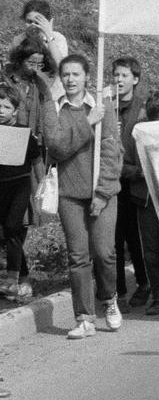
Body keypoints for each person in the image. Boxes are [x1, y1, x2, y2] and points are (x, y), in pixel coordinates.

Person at [35, 56, 122, 340]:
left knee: (104, 252)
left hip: (101, 193)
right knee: (78, 256)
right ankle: (83, 317)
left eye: (76, 74)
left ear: (86, 77)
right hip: (69, 194)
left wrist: (102, 192)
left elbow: (112, 153)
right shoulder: (54, 109)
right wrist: (87, 123)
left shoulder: (101, 106)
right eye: (66, 74)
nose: (71, 79)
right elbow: (58, 148)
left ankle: (109, 298)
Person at [111, 56, 159, 314]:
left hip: (136, 184)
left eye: (123, 75)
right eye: (115, 75)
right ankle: (118, 291)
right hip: (111, 183)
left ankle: (144, 284)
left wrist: (133, 170)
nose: (118, 80)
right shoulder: (106, 107)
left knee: (137, 239)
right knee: (115, 238)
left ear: (135, 79)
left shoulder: (143, 110)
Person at [0, 84, 40, 304]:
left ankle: (12, 279)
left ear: (15, 110)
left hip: (20, 187)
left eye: (6, 106)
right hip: (1, 189)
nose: (1, 110)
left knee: (13, 226)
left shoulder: (25, 133)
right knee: (8, 233)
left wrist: (43, 186)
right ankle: (24, 282)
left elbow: (37, 162)